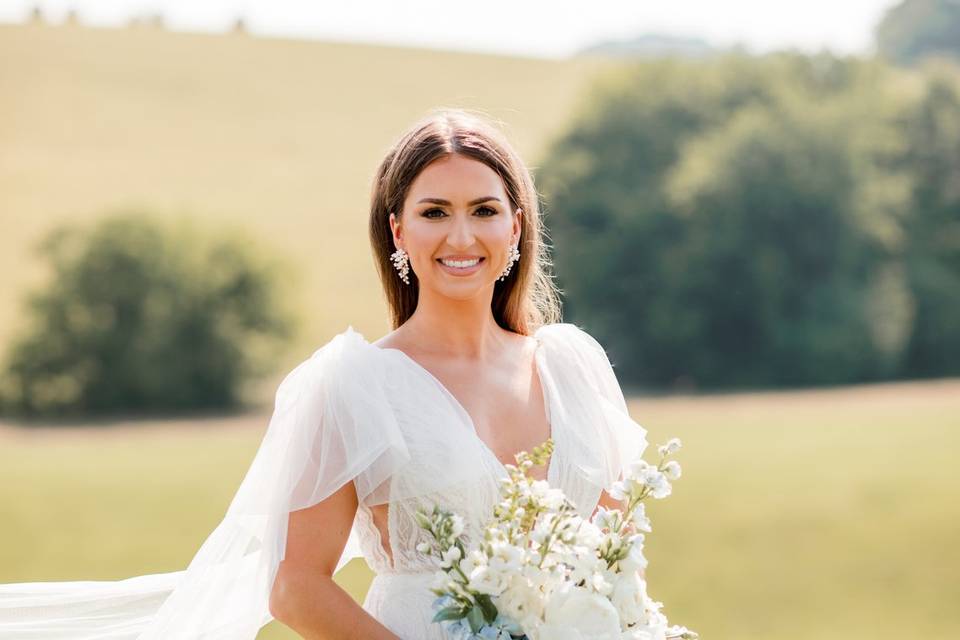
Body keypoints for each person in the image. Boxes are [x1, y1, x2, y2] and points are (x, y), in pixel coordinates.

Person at [0, 108, 649, 639]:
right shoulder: (355, 385)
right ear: (397, 232)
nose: (461, 236)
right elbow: (295, 586)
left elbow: (614, 558)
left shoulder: (573, 368)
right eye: (434, 212)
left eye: (483, 210)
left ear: (516, 227)